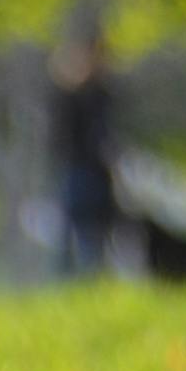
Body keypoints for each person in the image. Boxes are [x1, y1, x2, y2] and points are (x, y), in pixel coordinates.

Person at [49, 20, 121, 275]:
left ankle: (92, 278)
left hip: (98, 172)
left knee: (97, 231)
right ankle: (68, 281)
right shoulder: (70, 96)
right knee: (74, 230)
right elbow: (62, 138)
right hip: (78, 170)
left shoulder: (104, 94)